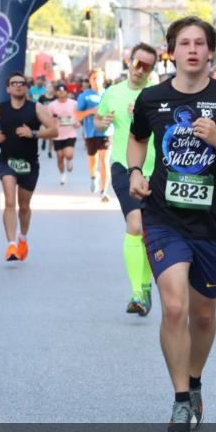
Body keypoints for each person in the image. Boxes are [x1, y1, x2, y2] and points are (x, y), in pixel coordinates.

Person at [127, 17, 216, 432]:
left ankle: (195, 380)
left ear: (210, 51)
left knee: (203, 314)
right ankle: (180, 398)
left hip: (212, 223)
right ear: (173, 51)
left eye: (200, 43)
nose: (193, 50)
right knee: (175, 308)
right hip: (164, 218)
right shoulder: (152, 98)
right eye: (185, 43)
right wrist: (133, 170)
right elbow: (137, 139)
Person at [95, 43, 160, 316]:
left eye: (146, 66)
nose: (139, 70)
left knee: (148, 230)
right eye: (137, 63)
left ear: (152, 70)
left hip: (155, 169)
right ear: (129, 62)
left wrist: (146, 116)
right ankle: (137, 292)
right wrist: (104, 120)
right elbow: (98, 122)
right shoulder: (113, 92)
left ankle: (145, 287)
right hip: (124, 165)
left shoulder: (157, 96)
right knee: (135, 224)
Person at [0, 71, 58, 262]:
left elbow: (54, 130)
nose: (18, 85)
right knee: (10, 201)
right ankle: (11, 245)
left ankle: (23, 238)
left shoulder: (36, 108)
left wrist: (32, 133)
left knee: (24, 206)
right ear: (8, 88)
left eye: (21, 83)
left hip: (29, 163)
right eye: (13, 83)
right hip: (7, 160)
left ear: (26, 88)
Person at [77, 68, 113, 200]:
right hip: (90, 133)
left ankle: (104, 191)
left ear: (103, 79)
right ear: (90, 80)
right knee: (93, 160)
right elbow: (77, 115)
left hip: (106, 131)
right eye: (94, 78)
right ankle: (93, 176)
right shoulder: (84, 96)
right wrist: (91, 111)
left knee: (104, 161)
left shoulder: (109, 94)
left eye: (99, 78)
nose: (96, 81)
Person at [47, 83, 79, 185]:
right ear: (56, 92)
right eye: (59, 91)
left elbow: (79, 115)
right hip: (58, 134)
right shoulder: (52, 105)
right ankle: (62, 174)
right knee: (59, 156)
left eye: (63, 90)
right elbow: (48, 119)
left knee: (68, 154)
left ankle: (69, 160)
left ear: (67, 92)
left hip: (70, 133)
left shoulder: (74, 103)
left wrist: (78, 122)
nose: (61, 92)